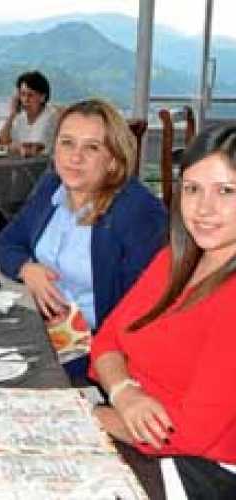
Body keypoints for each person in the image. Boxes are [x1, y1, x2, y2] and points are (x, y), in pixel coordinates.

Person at [90, 125, 236, 499]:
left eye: (226, 191)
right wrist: (125, 394)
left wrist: (88, 417)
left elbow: (184, 433)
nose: (204, 209)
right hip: (133, 434)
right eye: (192, 189)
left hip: (198, 473)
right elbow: (107, 340)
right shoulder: (176, 260)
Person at [0, 99, 167, 378]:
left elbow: (141, 315)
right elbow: (6, 243)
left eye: (92, 147)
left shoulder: (136, 211)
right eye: (67, 143)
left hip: (95, 356)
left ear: (113, 159)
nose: (75, 157)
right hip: (41, 331)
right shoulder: (52, 187)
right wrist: (28, 269)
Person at [0, 70, 60, 156]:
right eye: (22, 94)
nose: (25, 100)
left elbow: (35, 150)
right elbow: (1, 142)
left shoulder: (51, 116)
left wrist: (13, 147)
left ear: (42, 97)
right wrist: (12, 115)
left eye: (30, 95)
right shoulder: (20, 117)